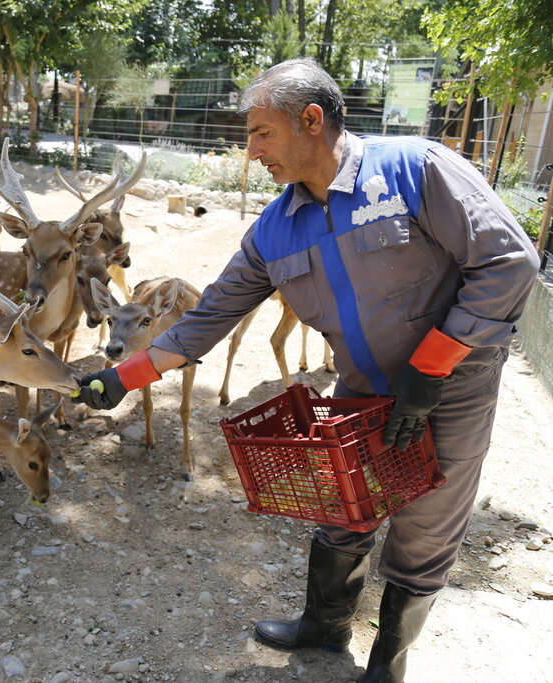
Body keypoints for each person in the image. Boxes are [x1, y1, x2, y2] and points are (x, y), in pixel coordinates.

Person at [72, 58, 539, 683]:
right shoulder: (275, 229)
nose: (251, 151)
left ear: (310, 120)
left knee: (426, 524)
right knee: (344, 507)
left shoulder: (416, 170)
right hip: (361, 389)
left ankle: (388, 662)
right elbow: (209, 316)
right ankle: (324, 625)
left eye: (261, 133)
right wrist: (122, 377)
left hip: (449, 388)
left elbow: (508, 262)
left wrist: (429, 370)